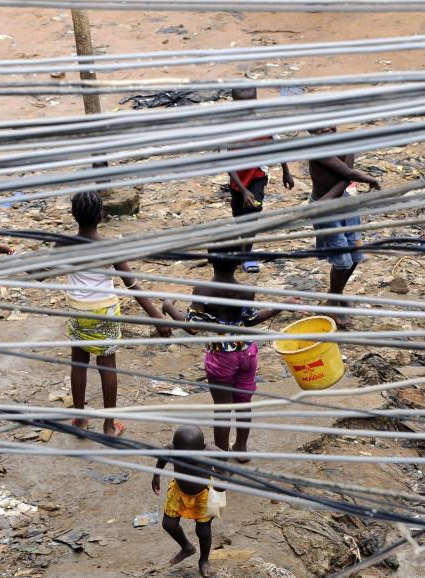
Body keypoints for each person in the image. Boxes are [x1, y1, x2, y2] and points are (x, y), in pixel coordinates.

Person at [62, 191, 172, 436]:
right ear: (101, 215)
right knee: (107, 365)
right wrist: (157, 318)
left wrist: (10, 253)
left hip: (78, 311)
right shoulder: (110, 247)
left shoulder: (64, 245)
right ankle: (109, 426)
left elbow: (36, 272)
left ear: (73, 215)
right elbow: (132, 285)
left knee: (78, 362)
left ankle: (80, 421)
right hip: (105, 313)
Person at [162, 251, 289, 461]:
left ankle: (221, 457)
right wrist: (279, 305)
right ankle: (241, 448)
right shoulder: (247, 290)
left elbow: (192, 327)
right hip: (248, 354)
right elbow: (251, 320)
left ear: (210, 259)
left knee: (222, 408)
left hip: (221, 357)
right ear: (240, 261)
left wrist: (168, 306)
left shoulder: (202, 290)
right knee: (243, 404)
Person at [308, 127, 381, 330]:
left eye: (332, 124)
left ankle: (336, 294)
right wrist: (370, 178)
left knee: (355, 253)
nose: (329, 129)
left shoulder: (344, 144)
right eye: (321, 127)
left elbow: (346, 177)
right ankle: (332, 302)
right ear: (311, 131)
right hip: (326, 211)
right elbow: (349, 173)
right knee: (342, 259)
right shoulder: (315, 148)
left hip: (342, 204)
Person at [224, 87, 295, 274]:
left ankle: (246, 256)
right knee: (240, 217)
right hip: (237, 180)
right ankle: (242, 248)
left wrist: (285, 171)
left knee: (253, 211)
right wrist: (243, 189)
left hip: (257, 175)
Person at [151, 425, 223, 578]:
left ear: (202, 448)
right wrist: (156, 475)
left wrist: (222, 480)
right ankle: (187, 547)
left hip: (202, 495)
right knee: (168, 524)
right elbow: (163, 454)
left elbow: (224, 461)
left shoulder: (210, 452)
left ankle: (204, 560)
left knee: (203, 532)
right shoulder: (173, 448)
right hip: (179, 491)